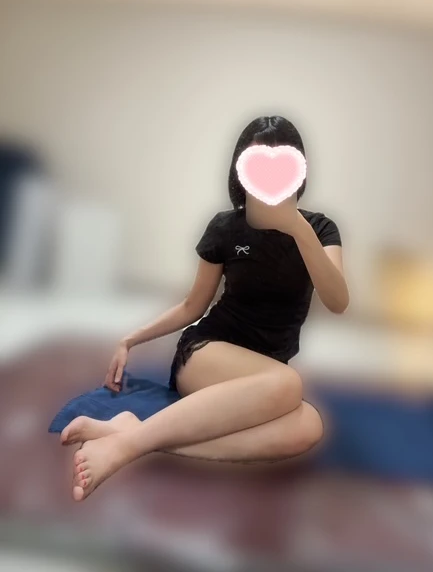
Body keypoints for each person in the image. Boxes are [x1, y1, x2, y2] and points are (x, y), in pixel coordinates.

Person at [61, 116, 349, 501]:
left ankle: (133, 435)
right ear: (240, 173)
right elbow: (192, 305)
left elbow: (337, 301)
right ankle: (126, 447)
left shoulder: (320, 229)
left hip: (264, 377)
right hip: (208, 355)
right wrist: (130, 339)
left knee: (310, 425)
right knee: (289, 384)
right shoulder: (225, 227)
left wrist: (298, 229)